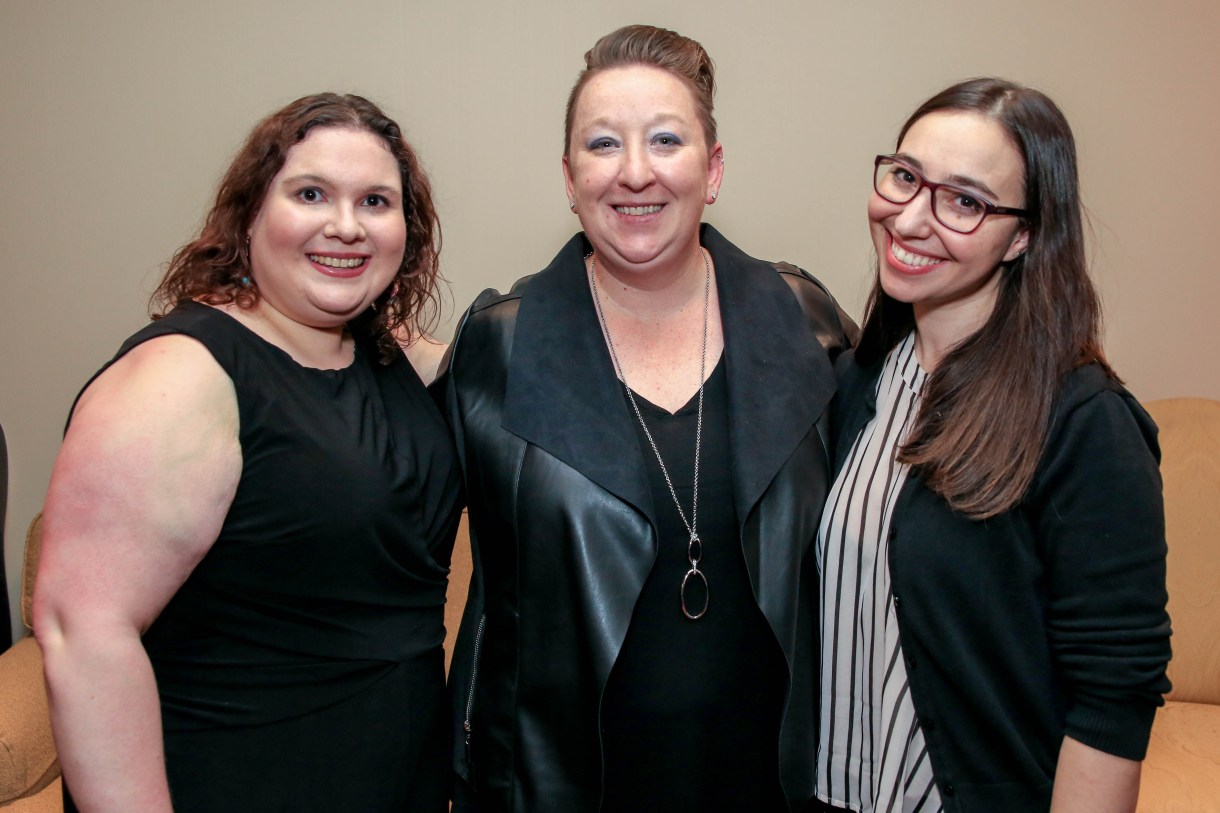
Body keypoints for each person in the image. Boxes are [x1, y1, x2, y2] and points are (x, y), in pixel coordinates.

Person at [441, 24, 856, 813]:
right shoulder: (501, 345)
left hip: (775, 784)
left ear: (715, 168)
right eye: (603, 145)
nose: (635, 172)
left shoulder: (807, 325)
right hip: (560, 786)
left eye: (666, 139)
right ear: (569, 178)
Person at [34, 93, 462, 813]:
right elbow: (84, 635)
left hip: (395, 780)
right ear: (252, 210)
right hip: (235, 775)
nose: (346, 225)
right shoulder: (182, 374)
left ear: (406, 231)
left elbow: (517, 380)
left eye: (376, 202)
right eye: (311, 193)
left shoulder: (383, 357)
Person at [813, 78, 1172, 813]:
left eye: (966, 201)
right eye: (906, 177)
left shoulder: (1082, 422)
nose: (911, 218)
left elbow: (1113, 697)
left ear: (1025, 234)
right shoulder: (857, 383)